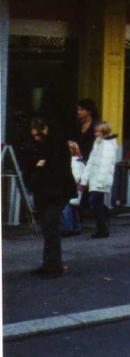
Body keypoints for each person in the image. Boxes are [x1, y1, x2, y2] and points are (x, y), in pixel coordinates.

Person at [26, 118, 76, 278]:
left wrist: (40, 166)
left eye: (38, 135)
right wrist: (40, 165)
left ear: (45, 128)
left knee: (51, 226)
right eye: (34, 136)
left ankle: (54, 265)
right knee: (48, 228)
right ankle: (49, 264)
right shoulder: (45, 145)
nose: (37, 138)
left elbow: (54, 167)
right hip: (47, 192)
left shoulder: (57, 144)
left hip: (57, 192)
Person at [79, 120, 119, 239]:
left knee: (94, 202)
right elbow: (91, 162)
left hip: (100, 179)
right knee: (96, 202)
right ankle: (103, 226)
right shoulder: (98, 143)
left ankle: (103, 228)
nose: (95, 134)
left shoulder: (107, 145)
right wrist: (85, 179)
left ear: (104, 132)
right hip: (96, 178)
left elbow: (104, 165)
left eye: (97, 131)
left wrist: (99, 181)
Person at [62, 141, 85, 237]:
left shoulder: (74, 162)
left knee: (66, 207)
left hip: (72, 187)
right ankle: (76, 226)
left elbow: (75, 176)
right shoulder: (79, 161)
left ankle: (68, 228)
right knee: (73, 207)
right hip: (77, 188)